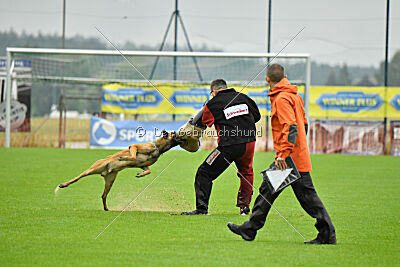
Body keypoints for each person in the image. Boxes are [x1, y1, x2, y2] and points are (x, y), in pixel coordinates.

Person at [227, 64, 336, 244]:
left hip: (289, 160)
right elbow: (304, 125)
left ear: (267, 79)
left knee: (307, 198)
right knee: (267, 190)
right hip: (294, 156)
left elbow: (291, 127)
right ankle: (250, 228)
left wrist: (284, 154)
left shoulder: (281, 98)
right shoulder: (295, 96)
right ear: (284, 76)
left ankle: (327, 234)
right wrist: (296, 149)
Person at [181, 79, 261, 215]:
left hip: (229, 146)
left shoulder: (212, 104)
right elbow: (257, 117)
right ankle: (244, 207)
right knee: (246, 172)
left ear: (214, 92)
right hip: (249, 142)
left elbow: (200, 122)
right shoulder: (244, 98)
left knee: (204, 173)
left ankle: (201, 209)